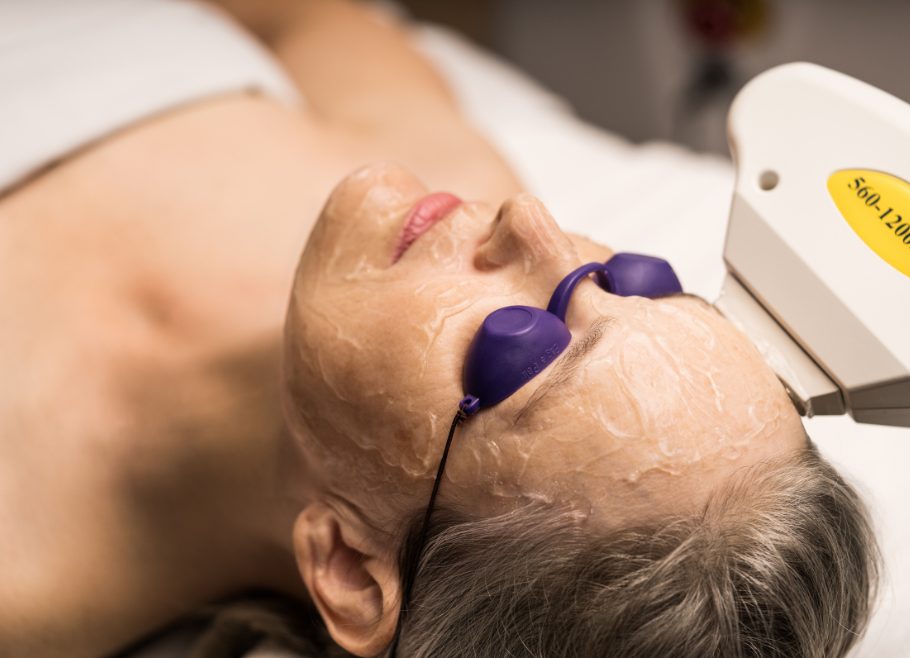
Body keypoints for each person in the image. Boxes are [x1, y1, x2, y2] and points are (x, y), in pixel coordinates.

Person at [0, 1, 878, 657]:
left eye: (517, 348)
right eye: (636, 280)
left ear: (350, 568)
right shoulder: (446, 190)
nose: (530, 223)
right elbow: (303, 19)